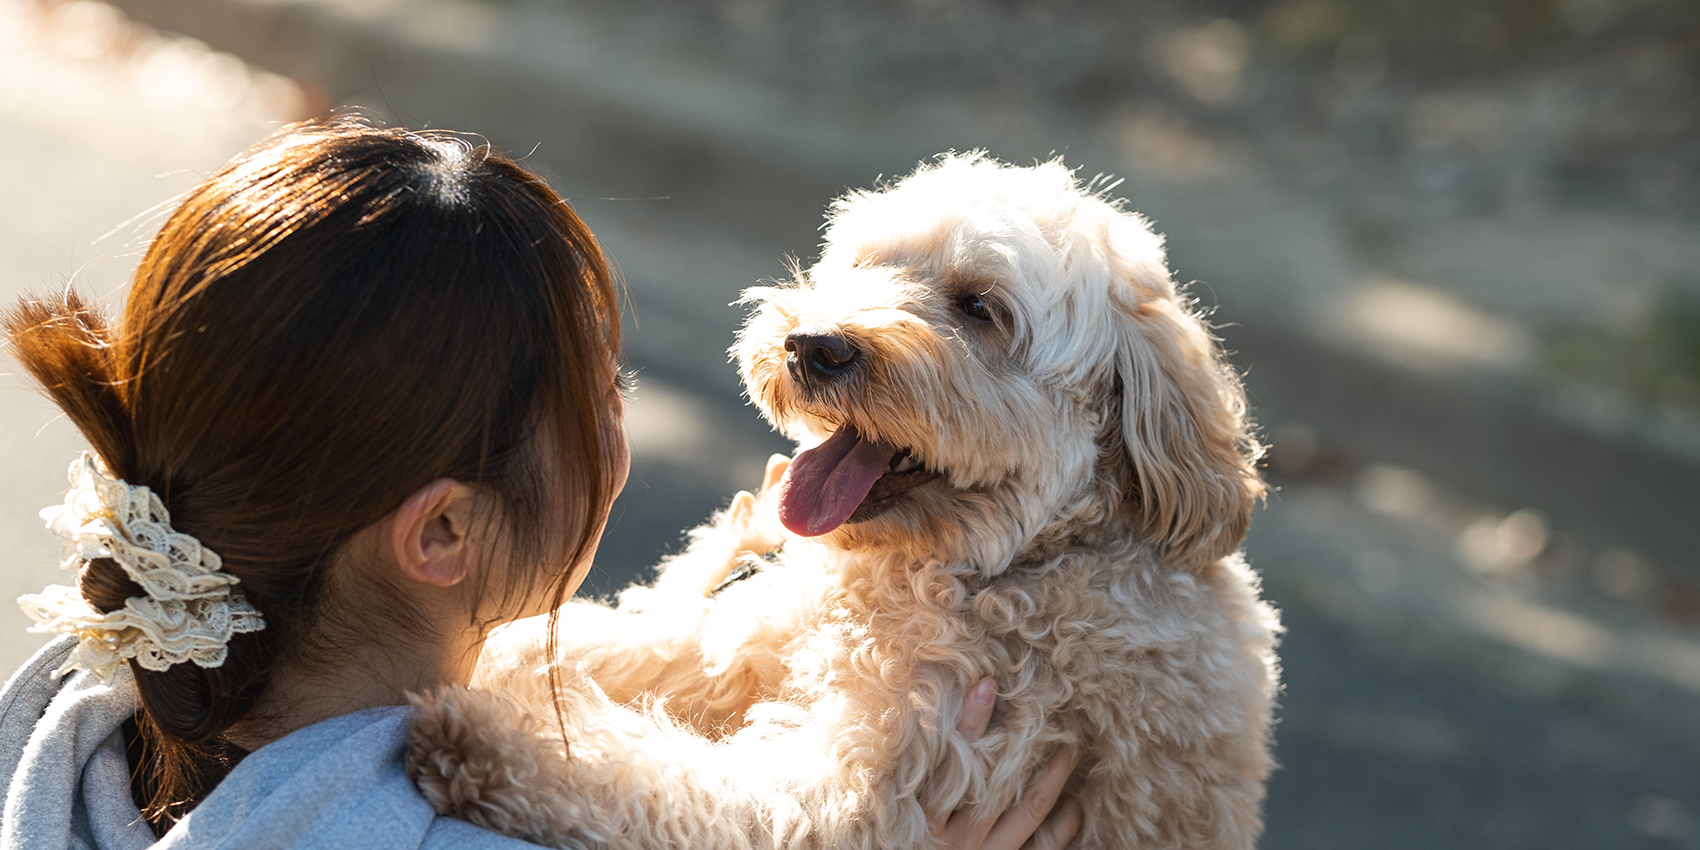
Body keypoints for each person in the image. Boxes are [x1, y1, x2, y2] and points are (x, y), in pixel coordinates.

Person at [0, 116, 1082, 850]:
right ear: (442, 533)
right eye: (598, 394)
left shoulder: (77, 712)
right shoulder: (478, 823)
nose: (622, 416)